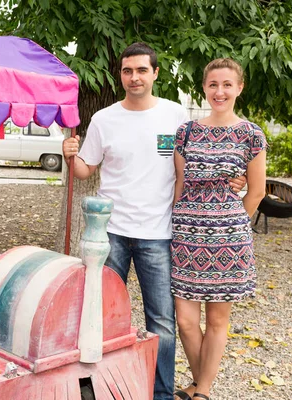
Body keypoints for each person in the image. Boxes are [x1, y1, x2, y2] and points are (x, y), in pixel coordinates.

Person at [62, 43, 246, 400]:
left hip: (159, 234)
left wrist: (234, 181)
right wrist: (70, 156)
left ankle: (160, 393)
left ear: (155, 73)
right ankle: (97, 385)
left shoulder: (176, 116)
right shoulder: (104, 119)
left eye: (142, 70)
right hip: (110, 233)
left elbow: (198, 165)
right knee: (99, 313)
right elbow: (87, 169)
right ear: (121, 75)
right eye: (128, 71)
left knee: (161, 320)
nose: (134, 77)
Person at [171, 59, 267, 400]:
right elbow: (180, 184)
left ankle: (202, 391)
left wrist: (230, 224)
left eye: (227, 84)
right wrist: (178, 223)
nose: (220, 91)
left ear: (239, 88)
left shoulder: (250, 133)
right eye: (213, 84)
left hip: (228, 238)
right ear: (204, 88)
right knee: (184, 320)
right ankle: (203, 384)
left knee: (216, 321)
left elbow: (257, 191)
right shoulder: (187, 132)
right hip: (186, 236)